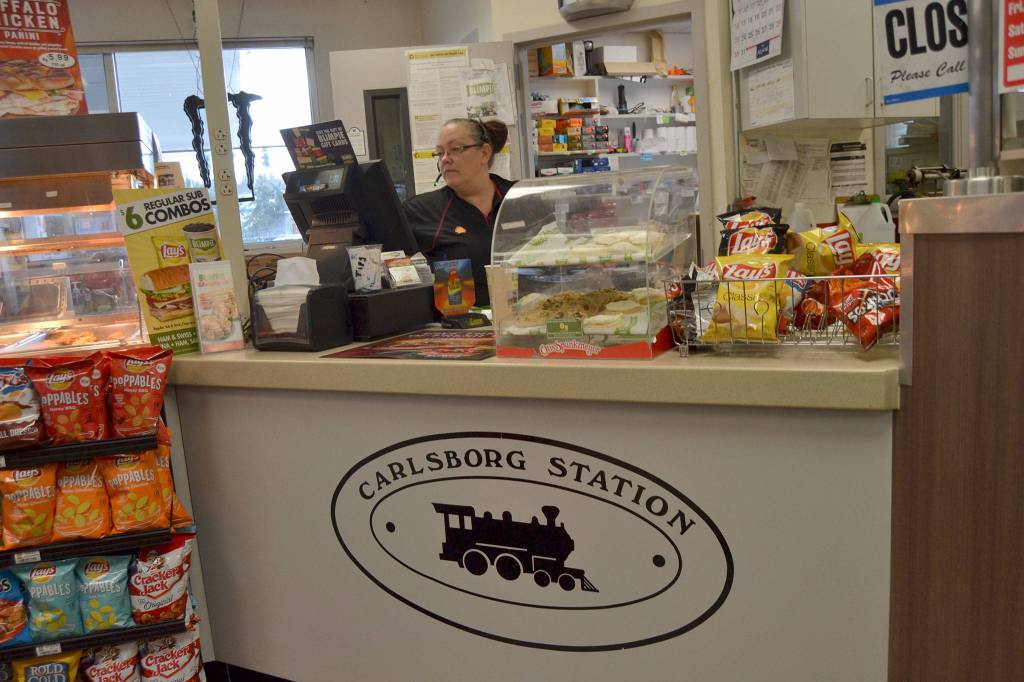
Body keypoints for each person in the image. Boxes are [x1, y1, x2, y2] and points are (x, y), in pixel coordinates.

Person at [403, 118, 514, 307]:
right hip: (461, 327)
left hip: (530, 319)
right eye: (440, 153)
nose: (445, 159)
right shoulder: (420, 211)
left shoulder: (520, 199)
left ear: (485, 153)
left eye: (456, 149)